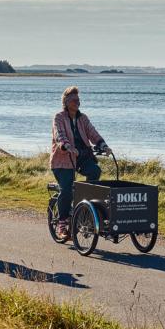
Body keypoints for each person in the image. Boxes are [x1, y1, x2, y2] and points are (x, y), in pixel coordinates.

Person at [50, 85, 110, 240]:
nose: (77, 103)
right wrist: (66, 145)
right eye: (74, 100)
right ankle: (62, 224)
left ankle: (85, 210)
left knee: (95, 171)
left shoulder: (83, 118)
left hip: (81, 157)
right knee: (67, 189)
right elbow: (59, 134)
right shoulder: (59, 117)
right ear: (66, 102)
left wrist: (103, 145)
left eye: (79, 100)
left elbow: (92, 133)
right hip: (63, 159)